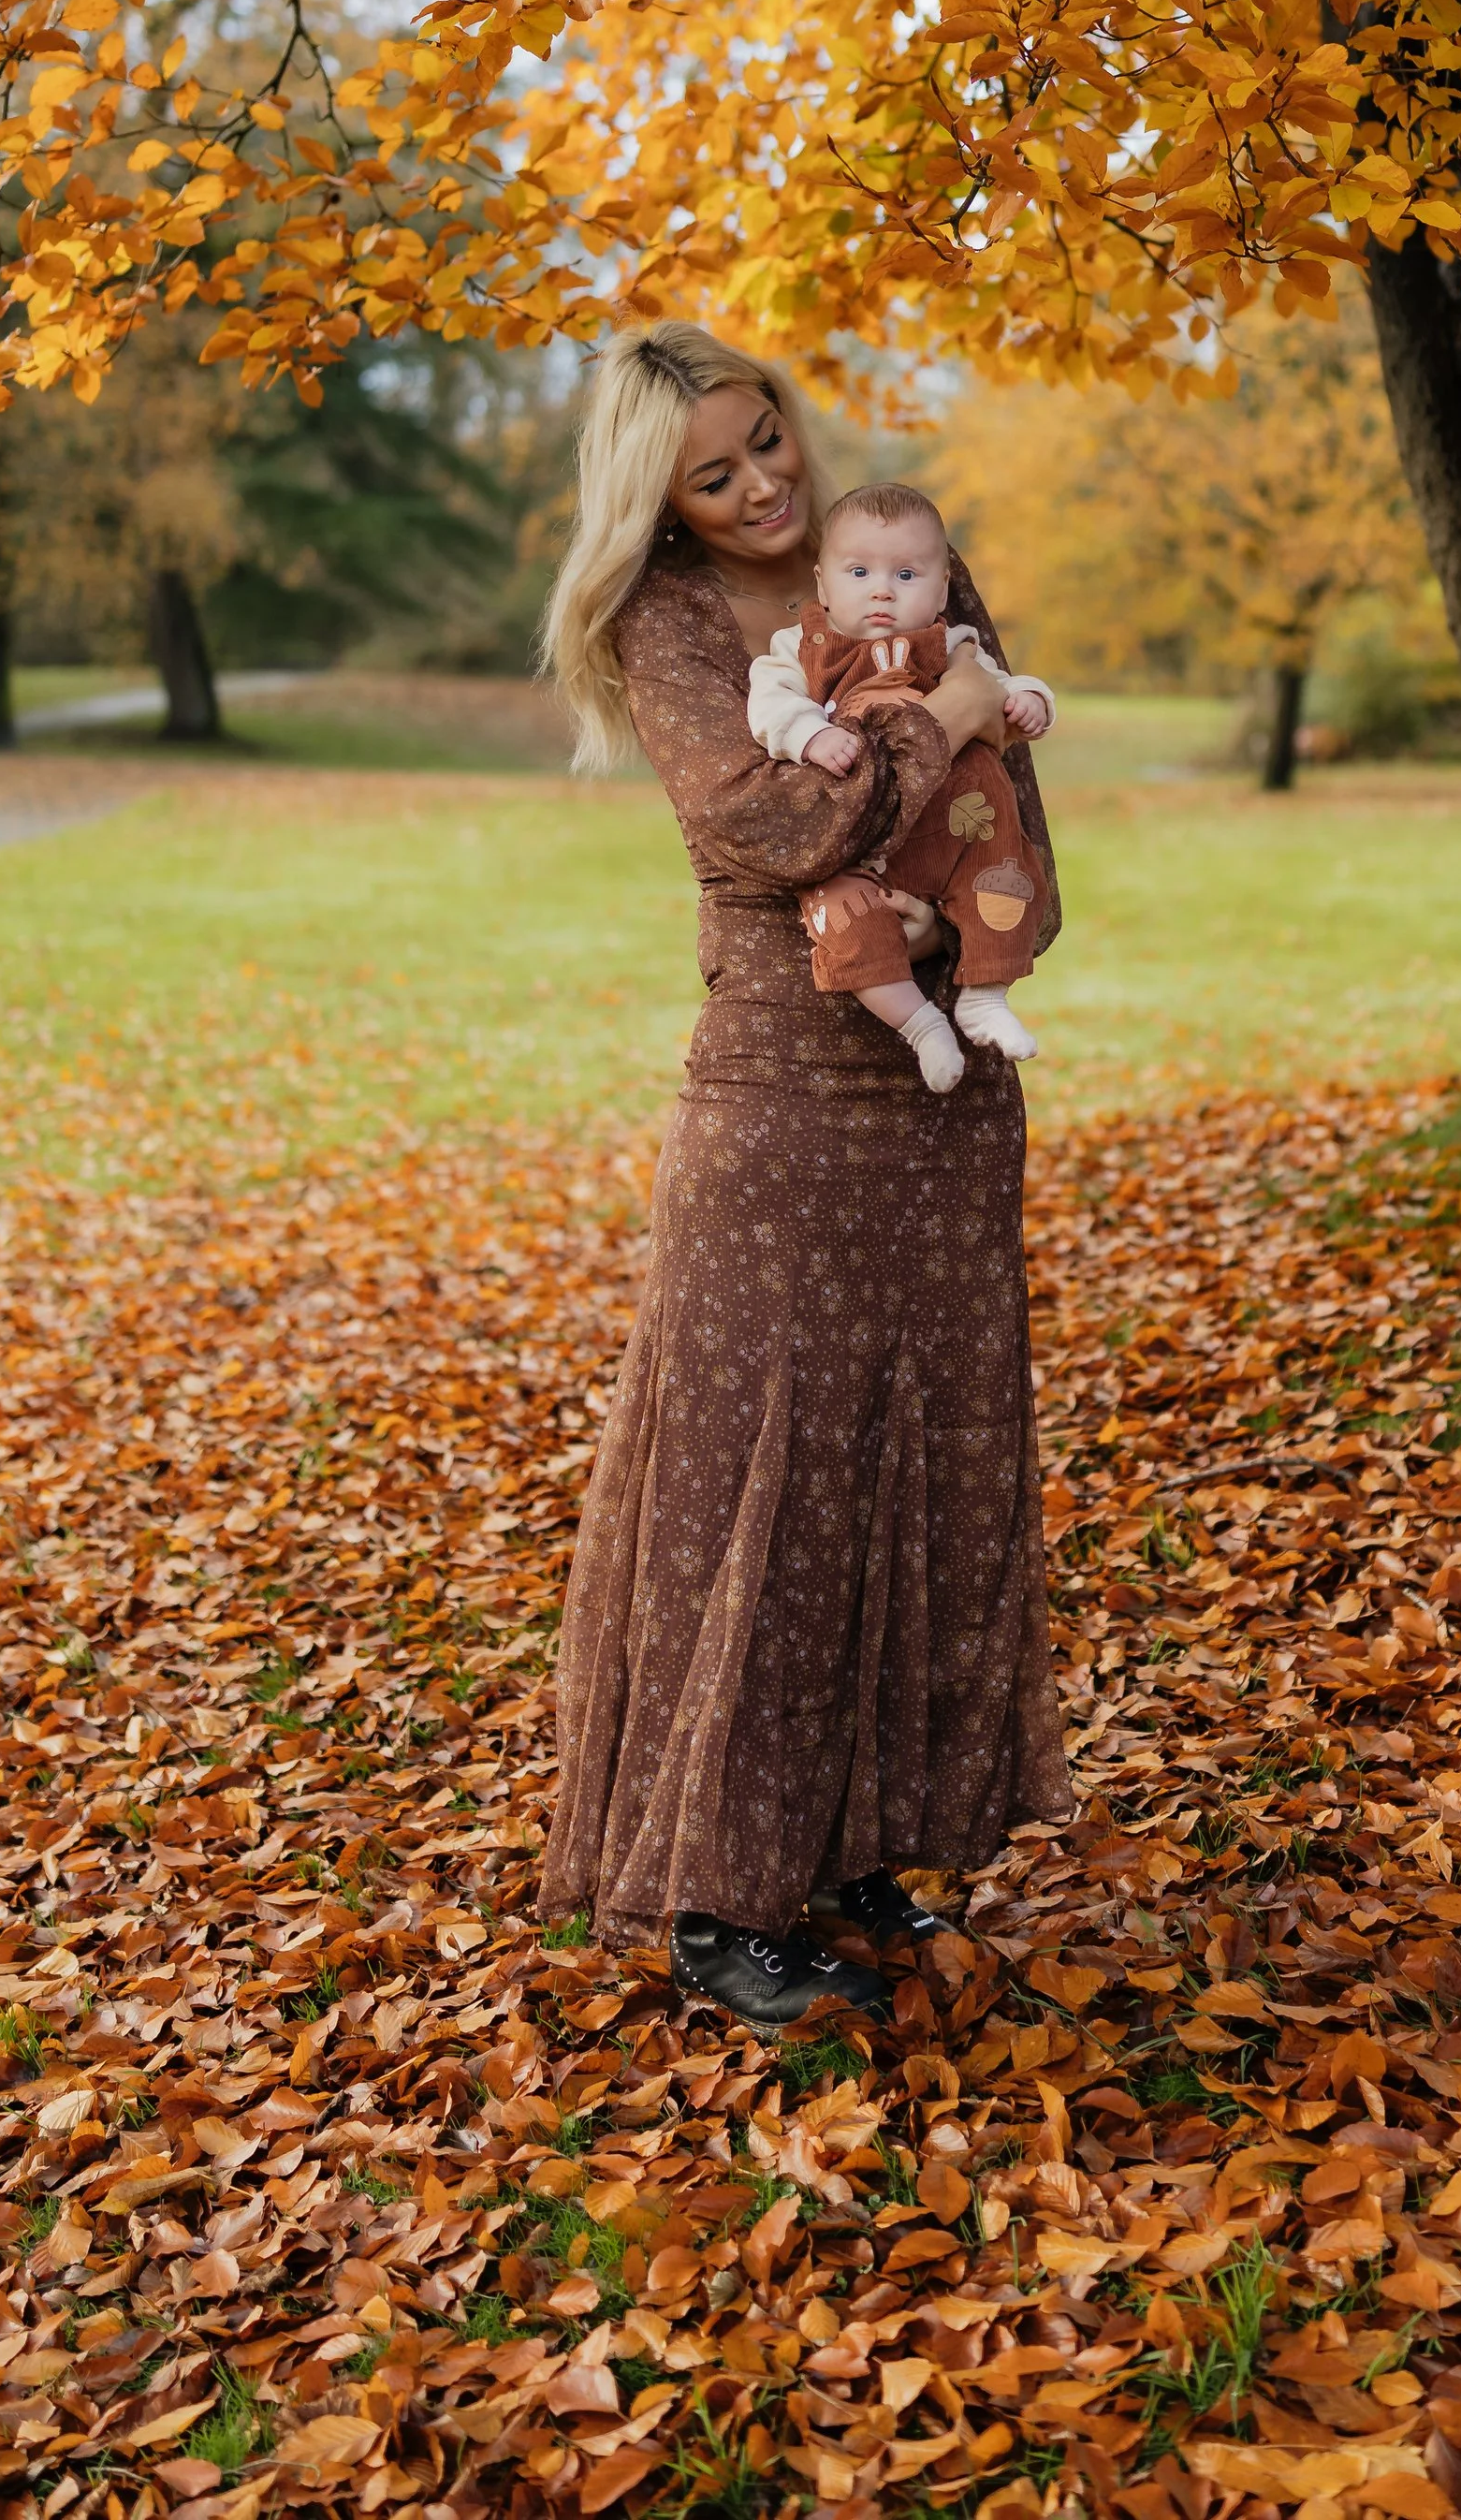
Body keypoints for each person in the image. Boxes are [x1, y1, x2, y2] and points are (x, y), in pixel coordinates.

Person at [538, 323, 1074, 2027]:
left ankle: (863, 1853)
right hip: (782, 1100)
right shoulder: (671, 623)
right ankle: (718, 1901)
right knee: (750, 1468)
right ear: (663, 505)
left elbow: (1009, 795)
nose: (767, 485)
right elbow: (766, 834)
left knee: (910, 1455)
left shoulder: (895, 561)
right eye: (717, 473)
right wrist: (941, 737)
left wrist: (964, 906)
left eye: (769, 441)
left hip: (938, 1094)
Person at [746, 481, 1056, 1093]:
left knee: (1006, 872)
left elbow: (1000, 685)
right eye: (859, 571)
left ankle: (984, 995)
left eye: (908, 574)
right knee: (838, 914)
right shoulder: (801, 651)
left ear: (941, 590)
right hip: (863, 843)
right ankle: (920, 1026)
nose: (883, 589)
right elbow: (768, 703)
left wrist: (1030, 701)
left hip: (961, 824)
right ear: (823, 584)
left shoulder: (952, 647)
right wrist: (809, 734)